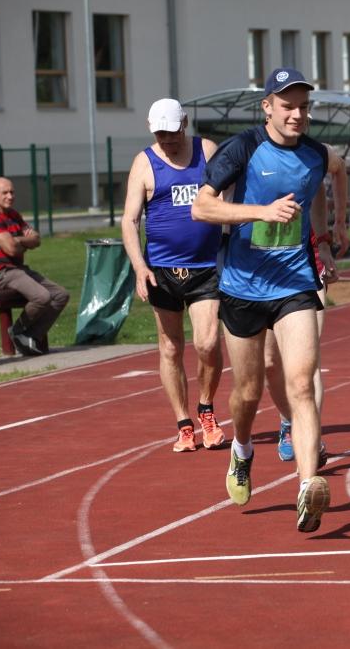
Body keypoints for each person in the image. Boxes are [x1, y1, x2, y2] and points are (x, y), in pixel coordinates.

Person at [192, 67, 335, 533]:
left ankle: (307, 486)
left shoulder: (316, 154)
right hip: (243, 287)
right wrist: (260, 211)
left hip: (294, 284)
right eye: (288, 106)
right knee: (248, 394)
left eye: (304, 107)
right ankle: (243, 451)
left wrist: (326, 240)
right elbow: (202, 206)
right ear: (268, 107)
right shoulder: (244, 148)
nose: (297, 115)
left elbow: (321, 189)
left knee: (301, 383)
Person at [121, 98, 226, 453]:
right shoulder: (144, 162)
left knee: (208, 343)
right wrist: (139, 267)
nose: (166, 139)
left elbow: (228, 194)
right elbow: (130, 220)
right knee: (170, 347)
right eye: (159, 133)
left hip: (205, 267)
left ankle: (207, 409)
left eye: (171, 131)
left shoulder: (205, 151)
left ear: (184, 123)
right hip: (162, 270)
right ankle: (184, 424)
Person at [271, 143, 349, 462]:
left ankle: (310, 435)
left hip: (306, 263)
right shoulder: (251, 151)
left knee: (308, 358)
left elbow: (338, 170)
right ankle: (288, 419)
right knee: (270, 362)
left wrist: (335, 228)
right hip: (264, 268)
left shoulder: (316, 154)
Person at [0, 177, 69, 356]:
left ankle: (28, 335)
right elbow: (11, 248)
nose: (10, 196)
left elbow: (36, 239)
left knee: (61, 294)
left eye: (12, 192)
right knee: (42, 296)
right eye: (5, 193)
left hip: (17, 270)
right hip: (0, 272)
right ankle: (18, 331)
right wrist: (23, 241)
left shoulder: (13, 215)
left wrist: (19, 240)